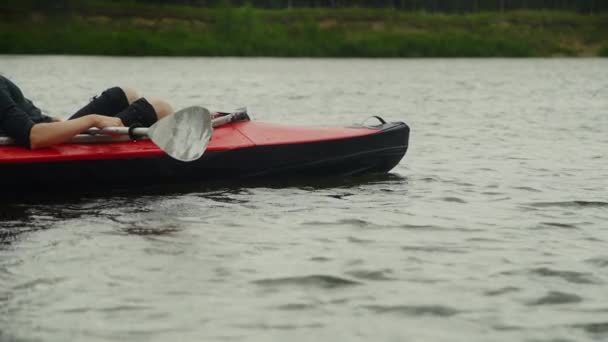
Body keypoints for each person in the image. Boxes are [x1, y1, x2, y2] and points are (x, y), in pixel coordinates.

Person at [0, 75, 173, 149]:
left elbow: (20, 115)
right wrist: (93, 120)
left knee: (124, 94)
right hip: (43, 139)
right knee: (160, 108)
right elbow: (33, 137)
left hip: (47, 128)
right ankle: (180, 164)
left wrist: (58, 123)